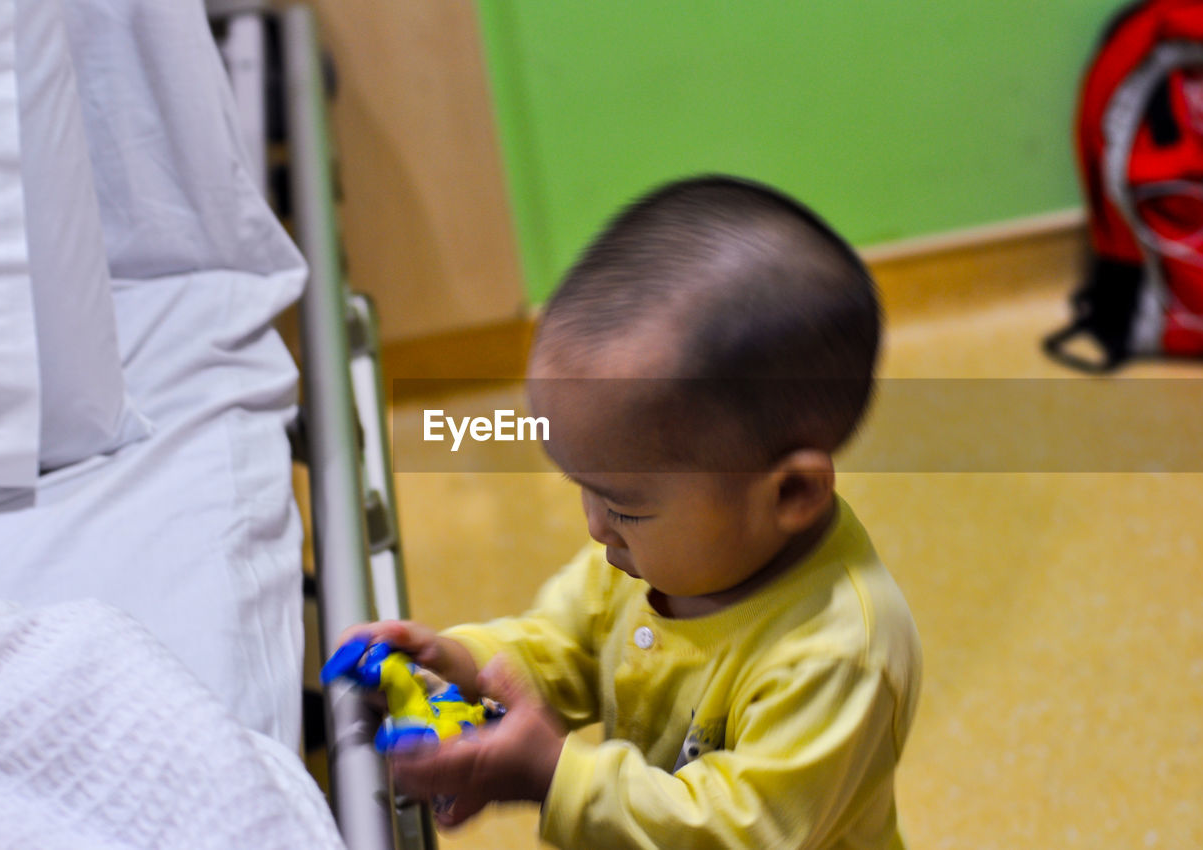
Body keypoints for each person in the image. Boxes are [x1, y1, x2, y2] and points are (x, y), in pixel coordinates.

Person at [343, 175, 923, 849]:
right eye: (584, 489)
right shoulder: (645, 559)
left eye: (624, 505)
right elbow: (560, 645)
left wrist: (552, 776)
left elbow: (739, 831)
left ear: (790, 494)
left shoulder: (839, 652)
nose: (595, 526)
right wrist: (462, 664)